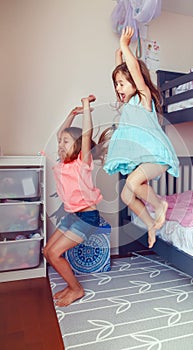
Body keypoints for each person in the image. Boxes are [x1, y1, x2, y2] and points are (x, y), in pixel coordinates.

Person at [103, 26, 179, 249]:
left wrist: (126, 47)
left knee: (133, 181)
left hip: (158, 157)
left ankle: (160, 205)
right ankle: (150, 224)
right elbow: (123, 70)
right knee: (127, 195)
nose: (118, 88)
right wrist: (118, 55)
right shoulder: (127, 105)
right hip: (146, 160)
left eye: (122, 84)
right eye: (116, 84)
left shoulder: (144, 98)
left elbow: (133, 70)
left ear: (136, 84)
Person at [43, 95, 103, 307]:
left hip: (87, 217)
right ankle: (71, 286)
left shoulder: (82, 161)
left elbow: (86, 135)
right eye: (60, 142)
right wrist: (71, 114)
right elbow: (60, 133)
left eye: (65, 142)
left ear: (77, 146)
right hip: (72, 215)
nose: (60, 144)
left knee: (55, 253)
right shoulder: (64, 163)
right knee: (47, 252)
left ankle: (76, 289)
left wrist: (86, 107)